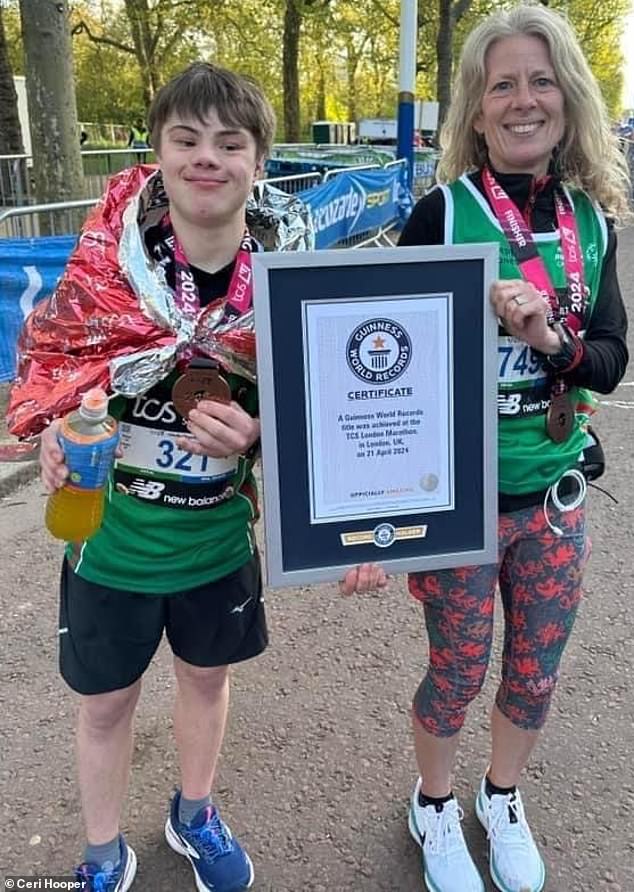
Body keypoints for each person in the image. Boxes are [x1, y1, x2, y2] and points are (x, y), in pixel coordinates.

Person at [8, 62, 385, 892]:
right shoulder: (103, 277)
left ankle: (195, 810)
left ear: (260, 161)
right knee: (105, 706)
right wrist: (55, 440)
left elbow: (338, 425)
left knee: (205, 680)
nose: (206, 157)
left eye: (230, 142)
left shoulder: (291, 289)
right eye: (186, 139)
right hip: (108, 550)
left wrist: (259, 437)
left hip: (216, 549)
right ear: (157, 155)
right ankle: (102, 851)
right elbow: (59, 382)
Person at [396, 6, 630, 892]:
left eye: (541, 81)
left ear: (568, 100)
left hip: (554, 498)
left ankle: (500, 796)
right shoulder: (440, 214)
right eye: (503, 85)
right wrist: (361, 514)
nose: (523, 99)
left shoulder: (592, 218)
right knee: (454, 673)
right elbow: (372, 370)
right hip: (458, 505)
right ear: (477, 109)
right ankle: (432, 806)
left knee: (535, 670)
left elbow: (608, 359)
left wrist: (549, 344)